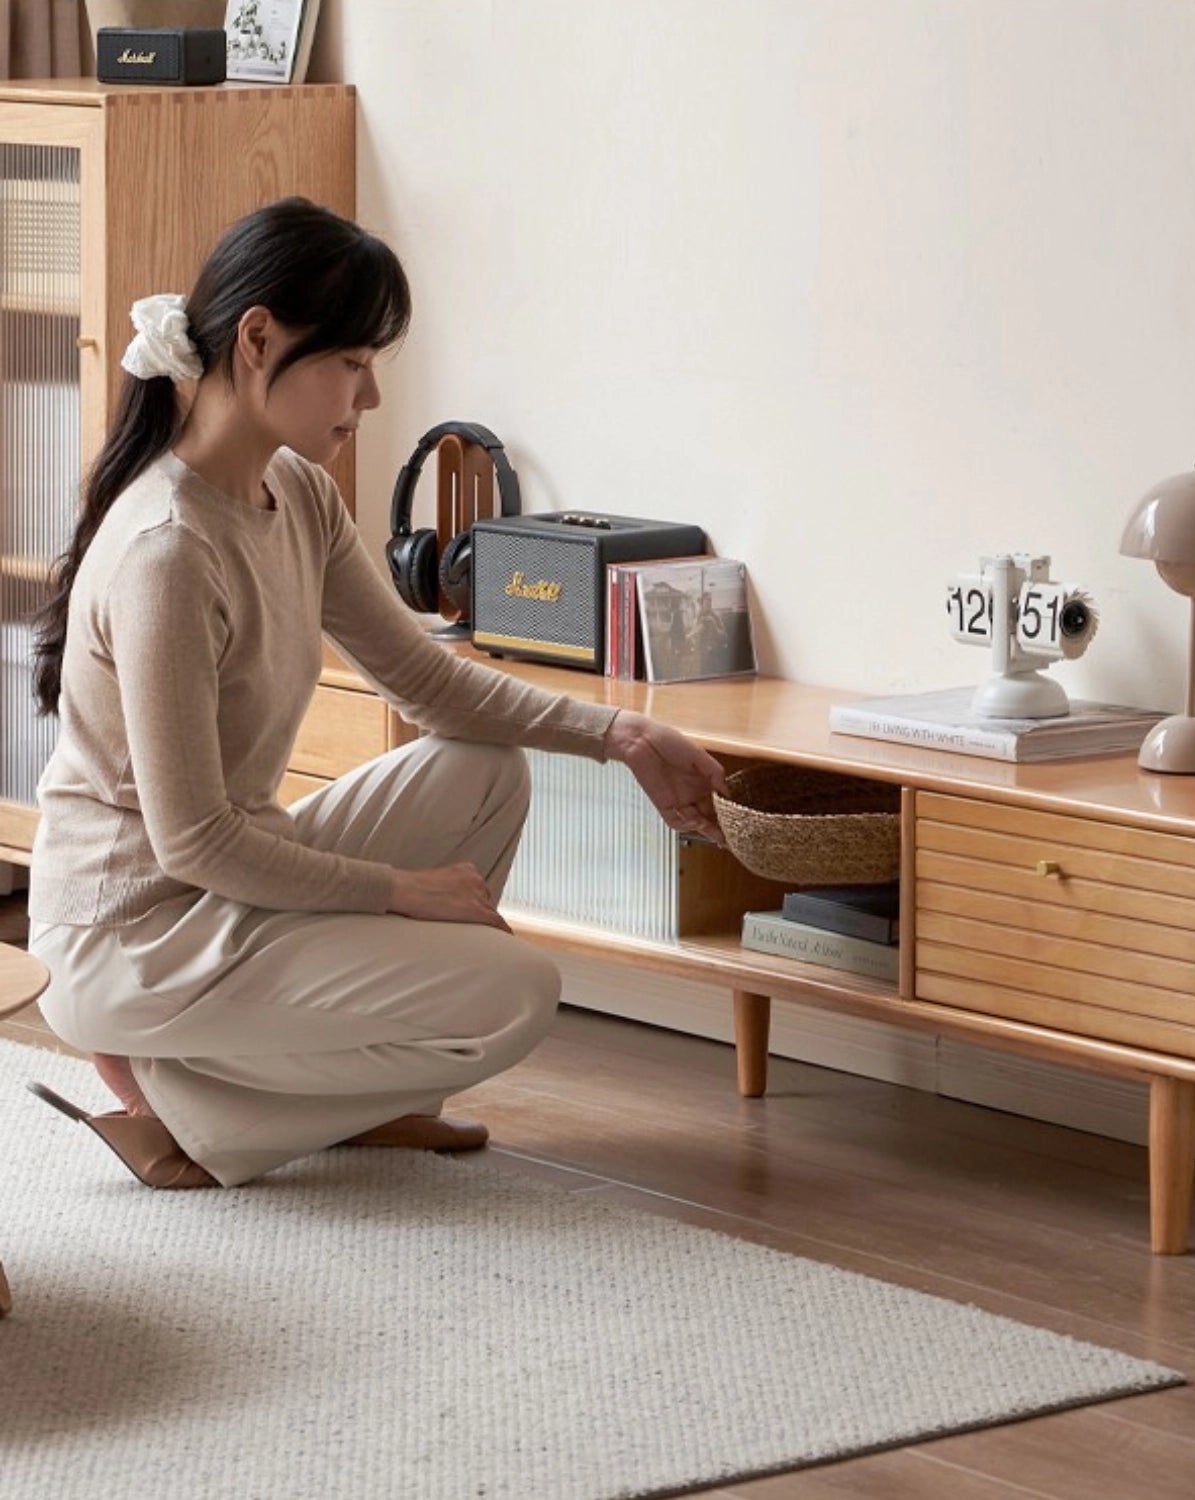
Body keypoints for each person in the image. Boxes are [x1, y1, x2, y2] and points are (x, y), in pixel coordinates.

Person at [24, 197, 727, 1191]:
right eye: (352, 363)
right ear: (259, 338)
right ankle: (185, 1107)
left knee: (482, 772)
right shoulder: (169, 553)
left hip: (229, 887)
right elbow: (193, 844)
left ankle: (319, 1097)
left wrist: (619, 733)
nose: (372, 395)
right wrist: (402, 893)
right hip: (135, 934)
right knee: (516, 994)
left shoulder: (294, 492)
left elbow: (426, 681)